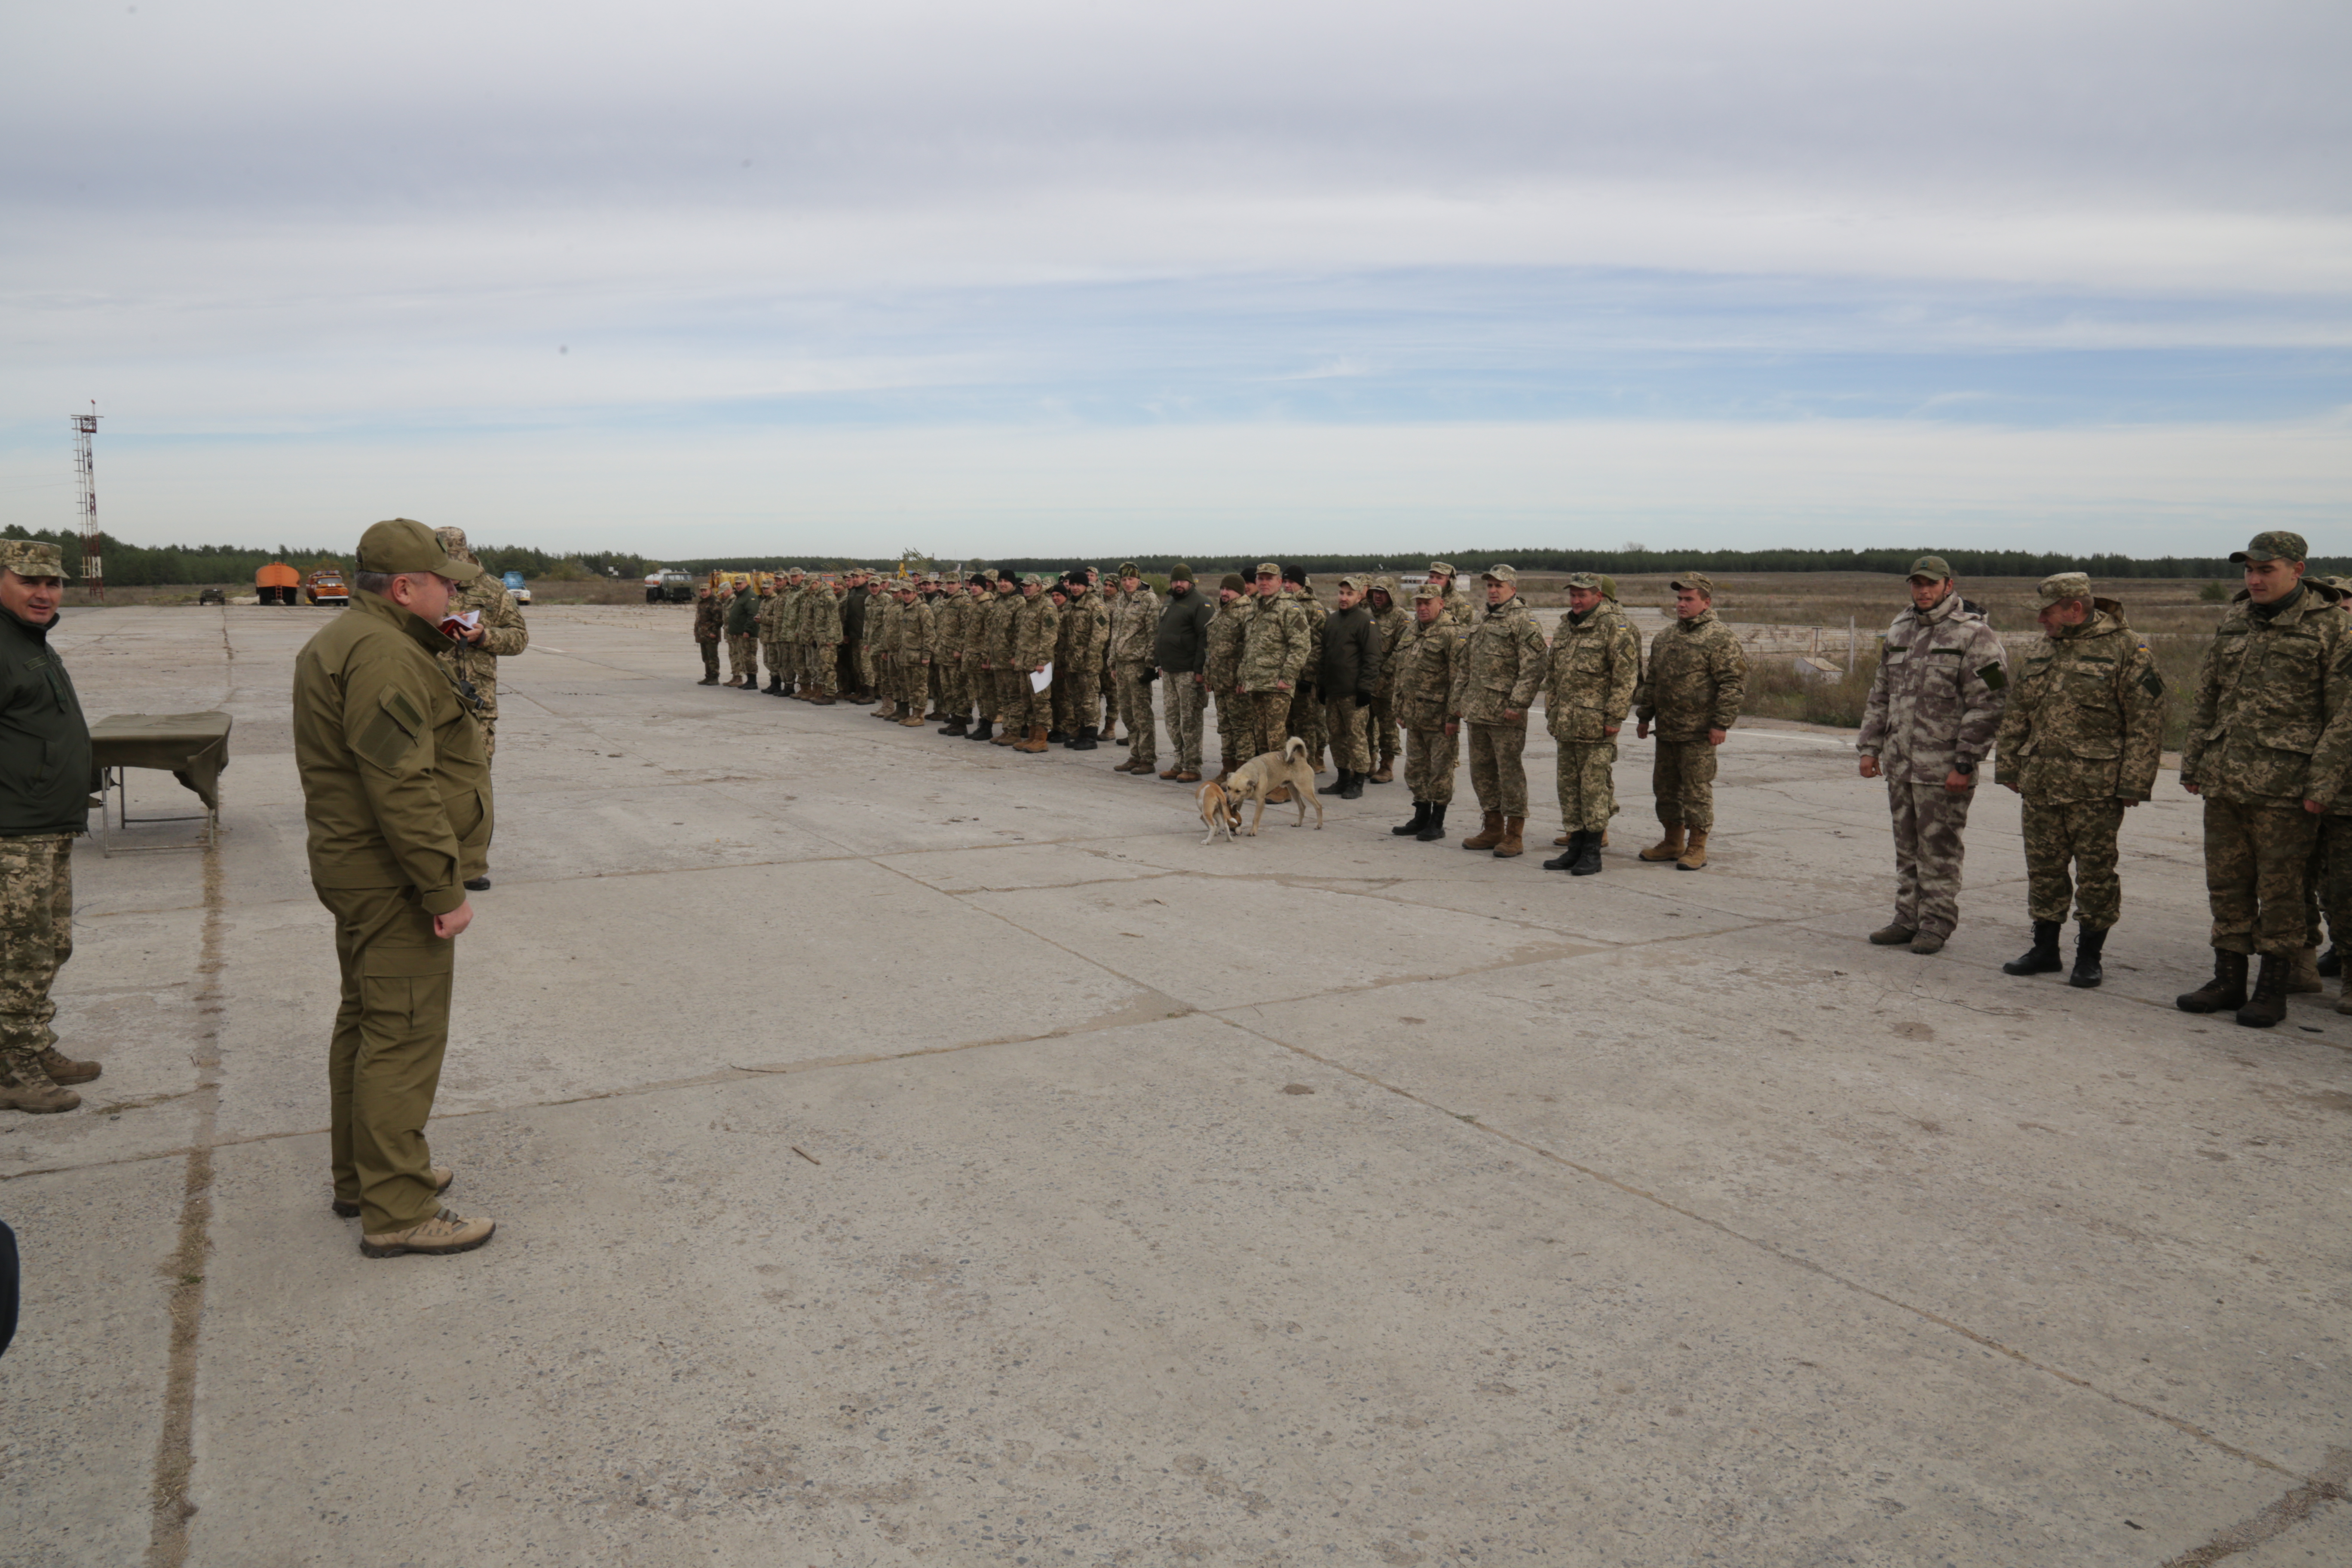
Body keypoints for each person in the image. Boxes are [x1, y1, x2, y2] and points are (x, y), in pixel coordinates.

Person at [291, 518, 494, 1257]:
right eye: (443, 581)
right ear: (405, 587)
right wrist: (444, 891)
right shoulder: (380, 653)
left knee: (369, 1022)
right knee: (401, 1036)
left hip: (363, 869)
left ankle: (366, 1177)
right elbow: (400, 786)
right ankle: (397, 1206)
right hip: (389, 877)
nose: (453, 591)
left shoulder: (360, 639)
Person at [2177, 532, 2352, 1027]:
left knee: (2282, 891)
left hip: (2287, 788)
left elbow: (2344, 717)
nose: (2255, 579)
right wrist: (2194, 762)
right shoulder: (2234, 622)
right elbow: (2209, 695)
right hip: (2227, 780)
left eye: (2266, 570)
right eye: (2249, 570)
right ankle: (2228, 980)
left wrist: (2322, 784)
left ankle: (2273, 988)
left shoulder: (2331, 629)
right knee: (2227, 885)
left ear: (2297, 570)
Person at [1993, 573, 2165, 987]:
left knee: (2096, 872)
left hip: (2097, 786)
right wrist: (2009, 766)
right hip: (2041, 781)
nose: (2040, 620)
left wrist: (2134, 783)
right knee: (2044, 868)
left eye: (2048, 612)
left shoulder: (2128, 648)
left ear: (2075, 609)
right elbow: (2019, 709)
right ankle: (2045, 950)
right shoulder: (2044, 648)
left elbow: (2147, 720)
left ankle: (2090, 956)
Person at [1855, 556, 2009, 955]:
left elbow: (1989, 702)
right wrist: (1869, 748)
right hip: (1901, 763)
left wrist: (1966, 761)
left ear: (1949, 585)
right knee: (1906, 847)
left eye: (1931, 584)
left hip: (1944, 768)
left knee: (1939, 849)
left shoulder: (1975, 635)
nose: (1923, 591)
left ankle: (1936, 923)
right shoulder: (1900, 628)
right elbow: (1881, 693)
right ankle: (1907, 918)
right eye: (1917, 584)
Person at [0, 540, 100, 1115]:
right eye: (29, 582)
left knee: (49, 945)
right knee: (19, 953)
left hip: (47, 824)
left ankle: (34, 1045)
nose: (44, 594)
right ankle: (12, 1070)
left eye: (53, 583)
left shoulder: (28, 642)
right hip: (13, 831)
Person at [430, 528, 528, 892]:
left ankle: (469, 866)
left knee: (475, 787)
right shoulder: (423, 584)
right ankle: (430, 863)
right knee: (426, 781)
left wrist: (485, 636)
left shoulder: (491, 588)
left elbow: (518, 638)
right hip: (428, 697)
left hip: (478, 704)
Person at [1633, 572, 1746, 873]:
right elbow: (1653, 681)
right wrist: (1645, 716)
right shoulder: (1666, 637)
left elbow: (1732, 684)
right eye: (1679, 599)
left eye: (1689, 599)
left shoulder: (1720, 638)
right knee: (1666, 790)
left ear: (1706, 603)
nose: (1681, 605)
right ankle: (1673, 842)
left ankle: (1697, 846)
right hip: (1667, 730)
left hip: (1698, 733)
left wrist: (1721, 724)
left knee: (1696, 791)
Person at [1540, 571, 1642, 876]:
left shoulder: (1614, 627)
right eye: (1572, 595)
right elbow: (1554, 676)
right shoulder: (1566, 627)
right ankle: (1575, 848)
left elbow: (1625, 678)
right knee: (1569, 788)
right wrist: (1552, 711)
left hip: (1596, 725)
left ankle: (1593, 852)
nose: (1576, 600)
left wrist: (1614, 718)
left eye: (1582, 595)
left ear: (1599, 596)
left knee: (1594, 789)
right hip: (1567, 725)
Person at [1445, 565, 1547, 857]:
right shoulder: (1482, 619)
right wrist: (1457, 707)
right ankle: (1492, 828)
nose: (1492, 590)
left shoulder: (1523, 621)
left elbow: (1534, 666)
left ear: (1513, 589)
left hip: (1505, 715)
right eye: (1489, 585)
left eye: (1498, 586)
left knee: (1509, 774)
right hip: (1477, 711)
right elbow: (1466, 667)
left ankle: (1514, 835)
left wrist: (1518, 703)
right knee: (1483, 773)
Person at [1393, 584, 1467, 842]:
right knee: (1415, 769)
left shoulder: (1452, 634)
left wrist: (1453, 717)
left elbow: (1458, 678)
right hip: (1414, 715)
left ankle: (1438, 821)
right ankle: (1421, 816)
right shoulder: (1412, 630)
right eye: (1419, 603)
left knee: (1440, 771)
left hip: (1439, 718)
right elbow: (1401, 672)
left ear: (1441, 604)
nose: (1422, 608)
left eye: (1428, 603)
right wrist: (1399, 708)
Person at [1232, 563, 1310, 800]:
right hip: (1256, 684)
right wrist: (1243, 678)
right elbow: (1250, 648)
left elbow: (1301, 645)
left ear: (1279, 582)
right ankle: (1268, 783)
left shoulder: (1289, 608)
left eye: (1269, 579)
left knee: (1276, 739)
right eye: (1261, 579)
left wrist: (1287, 677)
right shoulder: (1255, 607)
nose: (1264, 583)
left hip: (1277, 686)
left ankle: (1283, 787)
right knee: (1262, 738)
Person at [1320, 576, 1383, 799]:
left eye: (1349, 594)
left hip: (1353, 692)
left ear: (1359, 596)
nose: (1344, 598)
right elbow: (1325, 655)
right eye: (1341, 593)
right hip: (1333, 691)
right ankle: (1343, 777)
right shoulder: (1332, 620)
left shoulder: (1366, 622)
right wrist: (1322, 684)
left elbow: (1373, 657)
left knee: (1356, 737)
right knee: (1336, 737)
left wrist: (1366, 689)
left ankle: (1358, 781)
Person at [1155, 564, 1215, 782]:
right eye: (1175, 581)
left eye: (1182, 581)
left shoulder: (1201, 603)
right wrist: (1159, 662)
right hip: (1170, 671)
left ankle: (1193, 766)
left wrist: (1200, 670)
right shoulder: (1169, 603)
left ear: (1191, 582)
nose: (1178, 584)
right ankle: (1179, 762)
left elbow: (1206, 639)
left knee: (1190, 721)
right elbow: (1161, 634)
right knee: (1172, 720)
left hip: (1189, 672)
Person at [1109, 564, 1161, 775]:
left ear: (1139, 580)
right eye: (1124, 580)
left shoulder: (1149, 600)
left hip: (1138, 664)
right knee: (1128, 714)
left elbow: (1154, 633)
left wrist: (1150, 665)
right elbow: (1116, 633)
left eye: (1131, 579)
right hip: (1121, 665)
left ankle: (1147, 758)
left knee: (1142, 714)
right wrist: (1112, 662)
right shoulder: (1122, 599)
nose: (1128, 583)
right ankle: (1135, 755)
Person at [1204, 573, 1251, 782]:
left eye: (1229, 590)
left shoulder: (1246, 612)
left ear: (1239, 591)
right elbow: (1212, 647)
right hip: (1220, 681)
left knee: (1242, 729)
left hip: (1236, 683)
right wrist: (1209, 675)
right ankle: (1227, 769)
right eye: (1222, 589)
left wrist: (1244, 679)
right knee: (1225, 727)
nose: (1224, 593)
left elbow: (1250, 650)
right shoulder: (1221, 612)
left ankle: (1244, 774)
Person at [1281, 566, 1328, 771]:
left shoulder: (1313, 609)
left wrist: (1308, 675)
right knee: (1289, 721)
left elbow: (1319, 645)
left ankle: (1311, 762)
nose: (1287, 586)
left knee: (1308, 722)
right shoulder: (1283, 605)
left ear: (1302, 583)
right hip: (1287, 676)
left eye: (1292, 582)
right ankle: (1294, 760)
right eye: (1285, 582)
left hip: (1306, 678)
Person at [1008, 574, 1062, 753]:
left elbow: (1049, 637)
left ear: (1039, 587)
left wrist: (1042, 662)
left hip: (1039, 665)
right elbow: (1022, 636)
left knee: (1041, 702)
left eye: (1030, 585)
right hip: (1025, 662)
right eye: (1024, 586)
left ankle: (1041, 739)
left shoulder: (1047, 607)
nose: (1026, 588)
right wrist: (1017, 657)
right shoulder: (1026, 606)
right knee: (1028, 701)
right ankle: (1031, 737)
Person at [1059, 570, 1109, 751]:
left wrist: (1091, 660)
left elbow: (1100, 636)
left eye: (1078, 585)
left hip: (1088, 663)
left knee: (1090, 700)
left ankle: (1090, 736)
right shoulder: (1070, 605)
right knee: (1077, 700)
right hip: (1072, 662)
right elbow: (1064, 634)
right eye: (1072, 585)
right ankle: (1081, 732)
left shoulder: (1096, 606)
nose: (1074, 588)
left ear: (1086, 587)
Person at [1364, 576, 1407, 783]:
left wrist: (1385, 673)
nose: (1378, 596)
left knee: (1387, 726)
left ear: (1391, 594)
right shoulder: (1366, 614)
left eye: (1382, 592)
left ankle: (1387, 766)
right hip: (1366, 680)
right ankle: (1369, 762)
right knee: (1365, 724)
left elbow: (1403, 650)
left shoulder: (1401, 618)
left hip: (1387, 684)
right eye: (1375, 592)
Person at [722, 578, 759, 688]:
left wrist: (747, 630)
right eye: (737, 584)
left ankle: (753, 682)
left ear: (746, 583)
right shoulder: (741, 596)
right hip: (740, 633)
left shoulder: (750, 596)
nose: (738, 586)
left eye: (740, 584)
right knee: (744, 658)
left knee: (750, 658)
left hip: (747, 634)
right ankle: (749, 681)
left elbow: (752, 615)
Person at [1425, 561, 1476, 628]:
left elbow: (1465, 632)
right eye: (1431, 577)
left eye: (1439, 578)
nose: (1433, 581)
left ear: (1449, 581)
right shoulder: (1423, 599)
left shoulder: (1460, 603)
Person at [692, 582, 724, 684]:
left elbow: (719, 620)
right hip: (703, 634)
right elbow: (699, 619)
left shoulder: (714, 602)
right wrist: (696, 630)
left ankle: (715, 677)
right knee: (706, 657)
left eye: (705, 591)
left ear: (710, 590)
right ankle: (708, 676)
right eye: (702, 591)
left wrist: (714, 632)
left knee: (712, 657)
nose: (704, 593)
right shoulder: (702, 603)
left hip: (711, 635)